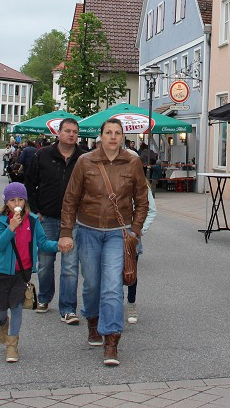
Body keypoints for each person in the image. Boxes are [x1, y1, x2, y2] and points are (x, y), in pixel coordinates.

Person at [59, 118, 148, 367]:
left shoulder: (132, 163)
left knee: (111, 286)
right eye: (108, 132)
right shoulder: (85, 161)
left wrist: (135, 231)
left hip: (117, 233)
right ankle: (93, 321)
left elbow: (142, 200)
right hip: (87, 230)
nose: (112, 136)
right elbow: (70, 199)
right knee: (92, 284)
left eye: (117, 133)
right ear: (101, 136)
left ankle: (112, 339)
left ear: (122, 137)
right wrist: (66, 232)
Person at [0, 182, 65, 363]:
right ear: (6, 203)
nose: (16, 203)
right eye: (12, 200)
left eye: (20, 199)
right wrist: (11, 227)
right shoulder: (1, 222)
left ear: (25, 201)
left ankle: (12, 346)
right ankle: (2, 322)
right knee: (0, 308)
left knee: (17, 307)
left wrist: (58, 245)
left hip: (23, 272)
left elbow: (42, 243)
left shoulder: (33, 221)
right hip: (3, 272)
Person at [24, 119, 86, 322]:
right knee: (45, 262)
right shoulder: (42, 155)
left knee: (70, 265)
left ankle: (68, 308)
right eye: (67, 131)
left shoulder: (84, 157)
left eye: (75, 132)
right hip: (47, 217)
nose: (71, 134)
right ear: (58, 133)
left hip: (73, 220)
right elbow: (29, 183)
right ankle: (44, 297)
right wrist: (35, 211)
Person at [125, 184, 156, 324]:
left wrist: (138, 230)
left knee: (130, 272)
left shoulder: (141, 184)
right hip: (110, 233)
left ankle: (131, 304)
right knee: (111, 273)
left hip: (132, 236)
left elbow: (151, 210)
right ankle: (112, 307)